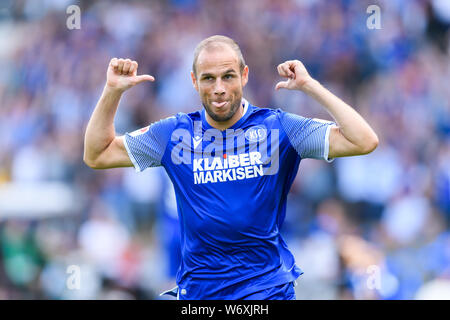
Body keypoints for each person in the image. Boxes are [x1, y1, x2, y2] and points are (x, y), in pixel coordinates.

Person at [83, 35, 378, 300]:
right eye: (209, 79)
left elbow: (363, 140)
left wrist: (310, 87)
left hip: (264, 290)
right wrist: (112, 91)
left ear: (244, 75)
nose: (219, 89)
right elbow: (98, 154)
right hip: (199, 292)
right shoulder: (174, 134)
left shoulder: (278, 128)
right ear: (194, 81)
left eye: (228, 76)